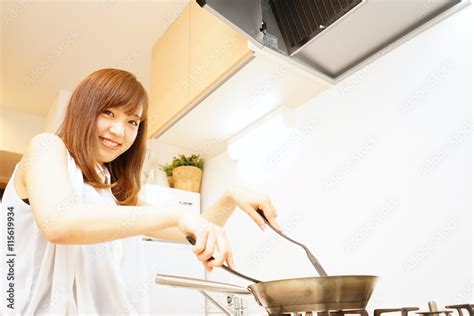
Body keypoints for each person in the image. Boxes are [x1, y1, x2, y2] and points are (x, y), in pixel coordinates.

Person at [0, 68, 282, 314]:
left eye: (132, 121)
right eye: (108, 112)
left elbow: (187, 233)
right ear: (82, 110)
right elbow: (58, 223)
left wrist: (230, 195)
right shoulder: (47, 147)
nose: (120, 131)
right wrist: (175, 214)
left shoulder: (110, 197)